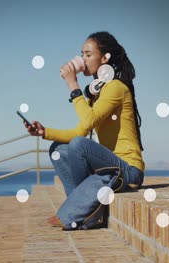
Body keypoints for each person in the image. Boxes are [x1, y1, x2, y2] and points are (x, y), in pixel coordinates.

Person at [23, 31, 145, 228]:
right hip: (108, 168)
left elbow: (88, 123)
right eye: (82, 54)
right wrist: (44, 132)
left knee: (79, 145)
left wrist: (73, 84)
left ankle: (78, 212)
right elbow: (79, 131)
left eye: (88, 54)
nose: (83, 59)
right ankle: (80, 207)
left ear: (104, 58)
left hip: (128, 170)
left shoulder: (116, 87)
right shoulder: (97, 92)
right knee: (58, 150)